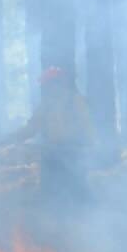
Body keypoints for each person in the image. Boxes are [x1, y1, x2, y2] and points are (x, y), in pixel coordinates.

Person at [14, 65, 94, 207]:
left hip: (74, 152)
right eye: (45, 85)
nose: (46, 88)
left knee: (78, 189)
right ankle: (52, 217)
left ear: (58, 83)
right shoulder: (46, 105)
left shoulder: (75, 101)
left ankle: (84, 215)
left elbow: (87, 124)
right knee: (50, 189)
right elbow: (31, 127)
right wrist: (12, 137)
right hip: (52, 153)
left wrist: (91, 144)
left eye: (48, 84)